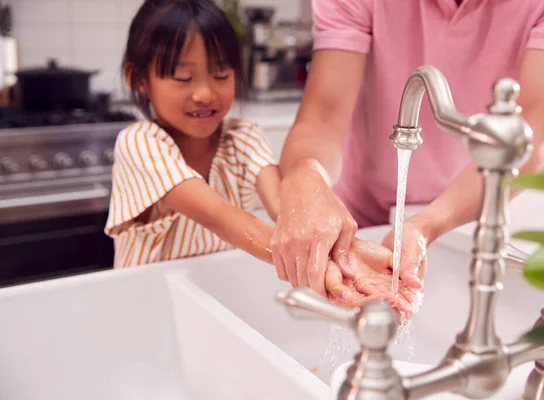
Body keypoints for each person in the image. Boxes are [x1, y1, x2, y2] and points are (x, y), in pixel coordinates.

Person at [271, 0, 544, 298]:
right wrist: (305, 177)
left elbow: (529, 133)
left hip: (469, 214)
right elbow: (323, 115)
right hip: (358, 215)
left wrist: (424, 225)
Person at [104, 0, 414, 312]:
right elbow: (219, 218)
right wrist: (318, 266)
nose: (205, 93)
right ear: (138, 79)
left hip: (208, 307)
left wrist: (351, 253)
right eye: (183, 78)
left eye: (221, 75)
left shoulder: (243, 137)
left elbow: (288, 210)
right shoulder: (140, 144)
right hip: (143, 310)